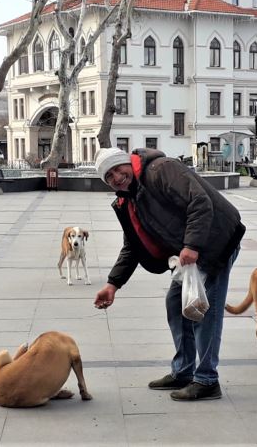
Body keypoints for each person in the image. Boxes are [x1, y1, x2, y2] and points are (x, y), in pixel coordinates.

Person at [93, 147, 245, 401]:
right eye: (109, 177)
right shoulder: (128, 200)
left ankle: (207, 379)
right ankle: (183, 371)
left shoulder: (162, 169)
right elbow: (134, 245)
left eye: (118, 169)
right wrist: (113, 284)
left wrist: (191, 246)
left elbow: (200, 202)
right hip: (191, 251)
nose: (117, 178)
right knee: (176, 303)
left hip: (218, 240)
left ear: (127, 163)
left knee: (206, 310)